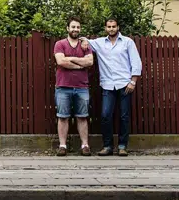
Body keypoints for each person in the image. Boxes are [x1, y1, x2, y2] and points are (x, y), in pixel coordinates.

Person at [91, 18, 142, 156]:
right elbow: (83, 43)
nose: (111, 29)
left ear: (118, 27)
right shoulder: (99, 43)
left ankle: (122, 146)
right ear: (105, 28)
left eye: (114, 26)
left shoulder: (127, 42)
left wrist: (133, 81)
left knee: (124, 116)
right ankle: (107, 146)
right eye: (109, 26)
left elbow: (136, 62)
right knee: (105, 115)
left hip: (125, 84)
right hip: (107, 84)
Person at [53, 18, 94, 156]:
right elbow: (60, 61)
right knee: (63, 116)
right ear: (67, 28)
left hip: (82, 87)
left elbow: (89, 62)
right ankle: (62, 145)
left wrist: (70, 59)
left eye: (78, 27)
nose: (75, 29)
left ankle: (85, 145)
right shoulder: (60, 44)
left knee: (82, 116)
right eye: (73, 27)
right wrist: (80, 65)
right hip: (63, 86)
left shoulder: (85, 45)